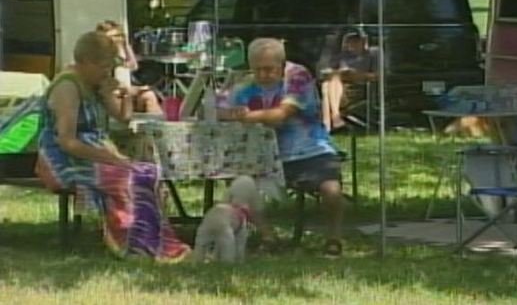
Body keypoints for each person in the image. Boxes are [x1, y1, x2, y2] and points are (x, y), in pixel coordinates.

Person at [35, 31, 191, 262]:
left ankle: (152, 239)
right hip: (63, 159)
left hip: (95, 152)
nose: (107, 72)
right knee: (124, 178)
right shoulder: (67, 86)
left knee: (147, 172)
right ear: (86, 62)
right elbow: (67, 141)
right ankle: (129, 242)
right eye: (104, 66)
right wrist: (113, 160)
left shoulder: (95, 83)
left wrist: (121, 94)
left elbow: (123, 118)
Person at [218, 38, 345, 256]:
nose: (264, 75)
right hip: (267, 154)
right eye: (258, 70)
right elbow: (218, 107)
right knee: (241, 184)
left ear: (282, 64)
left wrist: (243, 116)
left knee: (331, 190)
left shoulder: (297, 76)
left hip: (311, 148)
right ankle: (268, 237)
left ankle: (334, 238)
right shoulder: (246, 84)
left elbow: (281, 115)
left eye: (269, 69)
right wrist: (229, 112)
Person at [95, 20, 162, 114]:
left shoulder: (120, 52)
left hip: (125, 93)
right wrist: (131, 90)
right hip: (110, 97)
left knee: (149, 95)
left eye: (121, 35)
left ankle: (157, 127)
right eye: (115, 36)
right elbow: (107, 87)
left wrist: (125, 47)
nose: (119, 39)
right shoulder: (100, 57)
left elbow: (133, 67)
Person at [319, 29, 378, 131]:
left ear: (364, 41)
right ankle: (335, 119)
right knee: (328, 83)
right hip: (339, 88)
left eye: (356, 40)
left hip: (358, 89)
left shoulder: (373, 54)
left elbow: (377, 76)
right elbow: (327, 72)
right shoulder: (343, 56)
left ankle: (327, 123)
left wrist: (356, 74)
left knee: (327, 85)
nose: (352, 43)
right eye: (349, 40)